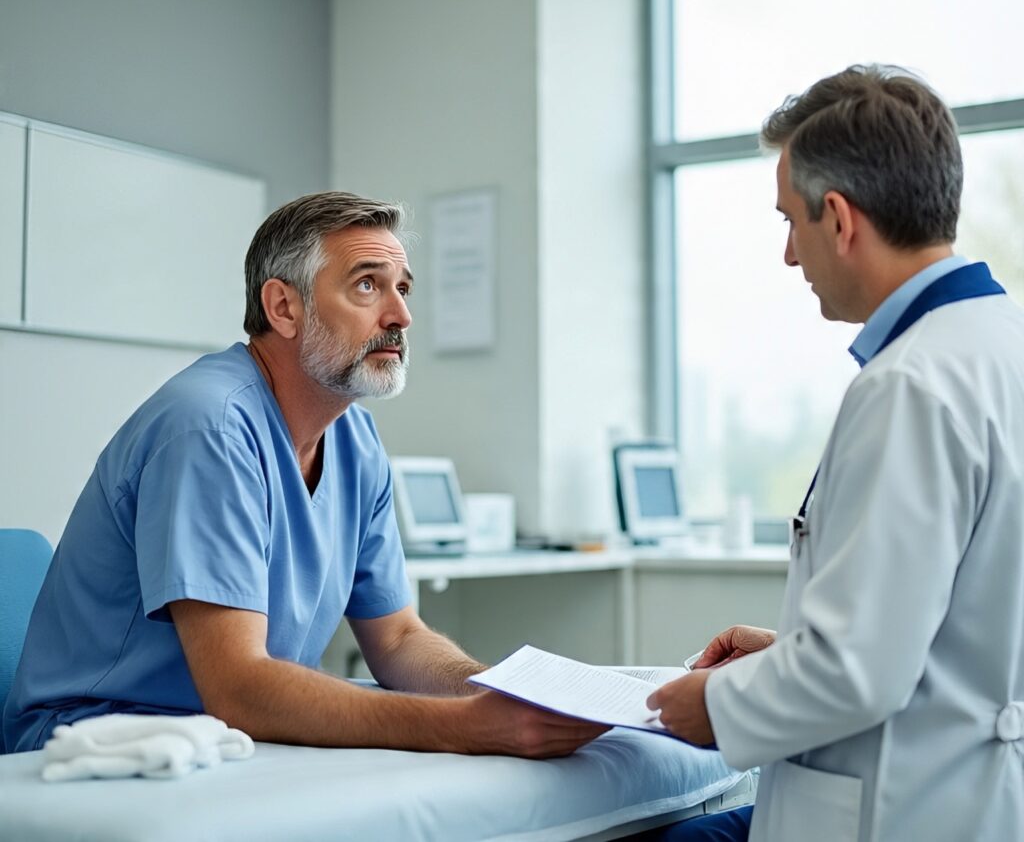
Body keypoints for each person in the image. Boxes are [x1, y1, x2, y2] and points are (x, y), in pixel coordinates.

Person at [3, 191, 607, 758]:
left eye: (403, 288)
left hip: (232, 738)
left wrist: (495, 692)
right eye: (367, 285)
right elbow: (238, 688)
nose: (401, 314)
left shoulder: (355, 438)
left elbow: (396, 639)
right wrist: (465, 729)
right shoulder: (209, 427)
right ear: (284, 307)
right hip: (100, 742)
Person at [645, 65, 1024, 841]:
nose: (790, 255)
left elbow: (859, 672)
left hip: (898, 807)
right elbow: (967, 622)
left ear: (841, 221)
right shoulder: (998, 346)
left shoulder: (910, 384)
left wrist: (710, 704)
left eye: (791, 221)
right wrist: (792, 649)